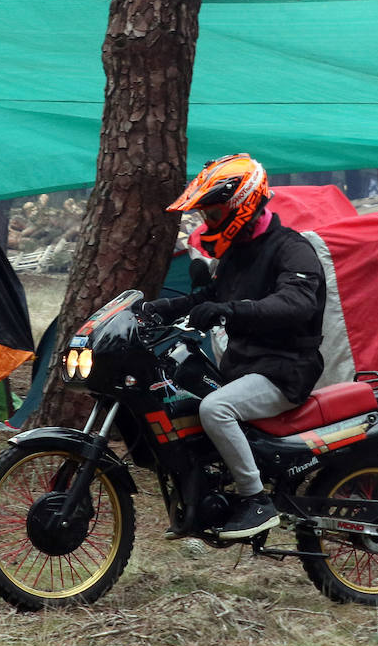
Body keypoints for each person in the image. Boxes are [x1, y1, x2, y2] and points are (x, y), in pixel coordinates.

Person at [138, 153, 326, 539]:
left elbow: (297, 302)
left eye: (216, 213)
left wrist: (230, 310)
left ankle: (255, 499)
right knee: (183, 401)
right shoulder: (238, 253)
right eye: (206, 215)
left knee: (215, 408)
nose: (209, 222)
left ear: (243, 205)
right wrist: (158, 308)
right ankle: (198, 502)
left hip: (285, 369)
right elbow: (210, 296)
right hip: (246, 366)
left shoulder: (293, 249)